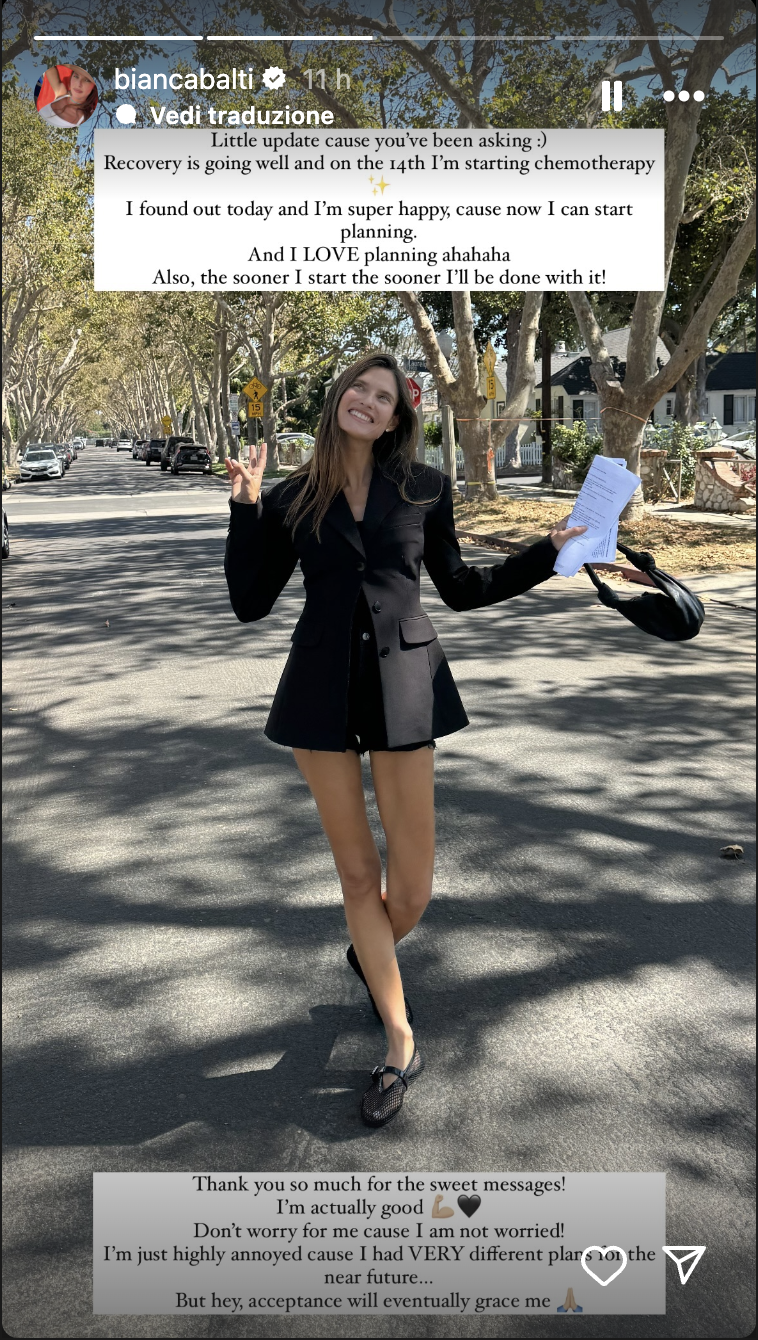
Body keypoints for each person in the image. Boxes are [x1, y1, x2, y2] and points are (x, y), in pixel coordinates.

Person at [224, 353, 586, 1128]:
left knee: (411, 889)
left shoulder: (425, 487)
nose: (367, 400)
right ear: (339, 399)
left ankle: (371, 951)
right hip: (319, 689)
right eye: (358, 387)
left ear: (396, 418)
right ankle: (399, 1042)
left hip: (405, 686)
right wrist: (245, 508)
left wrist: (548, 552)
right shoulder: (291, 496)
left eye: (382, 396)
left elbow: (462, 588)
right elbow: (250, 602)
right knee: (359, 876)